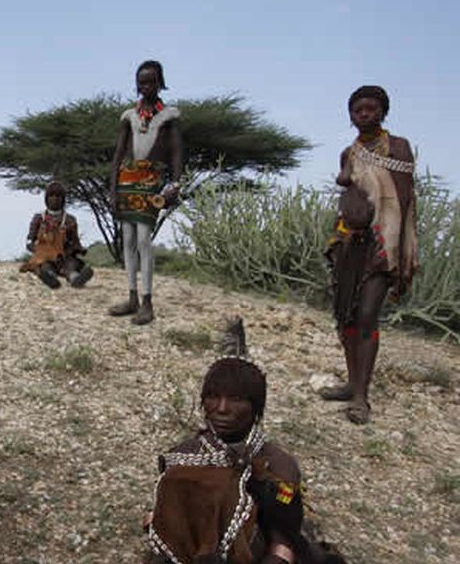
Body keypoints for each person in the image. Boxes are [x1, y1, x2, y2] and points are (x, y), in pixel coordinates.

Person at [146, 318, 342, 564]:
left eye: (236, 399)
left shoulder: (279, 466)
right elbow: (163, 524)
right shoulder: (183, 456)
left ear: (255, 408)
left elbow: (282, 543)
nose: (222, 408)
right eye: (213, 397)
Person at [319, 85, 418, 424]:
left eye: (371, 109)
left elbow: (399, 194)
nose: (364, 114)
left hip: (381, 243)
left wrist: (355, 178)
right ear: (350, 116)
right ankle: (351, 383)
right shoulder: (348, 152)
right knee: (345, 315)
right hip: (348, 242)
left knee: (366, 315)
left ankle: (361, 396)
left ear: (383, 112)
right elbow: (347, 189)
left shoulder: (399, 147)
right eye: (358, 110)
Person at [108, 60, 184, 324]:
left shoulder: (169, 116)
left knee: (143, 239)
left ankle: (148, 301)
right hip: (127, 178)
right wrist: (112, 189)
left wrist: (175, 184)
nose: (145, 86)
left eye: (151, 81)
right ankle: (132, 297)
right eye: (141, 82)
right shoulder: (129, 116)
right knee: (127, 239)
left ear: (160, 82)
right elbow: (118, 153)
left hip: (151, 179)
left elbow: (176, 153)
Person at [20, 181, 94, 288]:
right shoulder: (38, 218)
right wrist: (41, 251)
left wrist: (79, 249)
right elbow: (29, 242)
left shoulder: (70, 220)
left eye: (58, 196)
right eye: (51, 196)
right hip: (45, 256)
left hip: (65, 256)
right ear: (46, 199)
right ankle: (51, 278)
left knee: (71, 265)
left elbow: (76, 242)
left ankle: (75, 279)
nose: (55, 199)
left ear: (63, 200)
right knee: (46, 266)